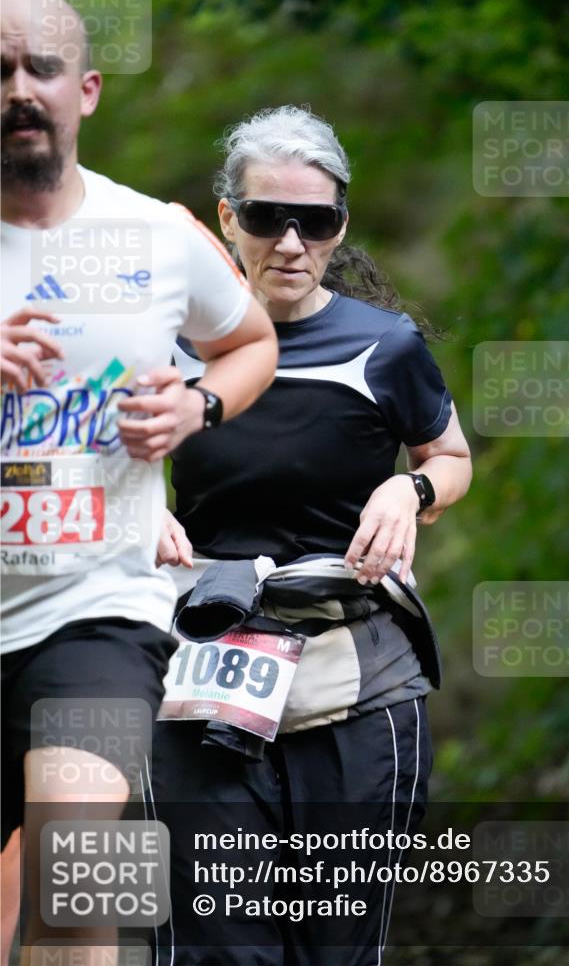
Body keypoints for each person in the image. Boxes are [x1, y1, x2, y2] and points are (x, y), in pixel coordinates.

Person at [152, 105, 472, 965]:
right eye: (264, 218)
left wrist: (409, 490)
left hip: (356, 681)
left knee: (336, 945)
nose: (289, 243)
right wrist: (140, 508)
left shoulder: (386, 347)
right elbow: (106, 460)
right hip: (204, 669)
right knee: (220, 945)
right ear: (228, 220)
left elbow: (449, 456)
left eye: (315, 221)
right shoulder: (171, 344)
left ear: (340, 228)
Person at [0, 0, 277, 965]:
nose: (19, 89)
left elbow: (248, 341)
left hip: (96, 608)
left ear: (88, 89)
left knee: (77, 890)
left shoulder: (156, 234)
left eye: (40, 69)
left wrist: (199, 404)